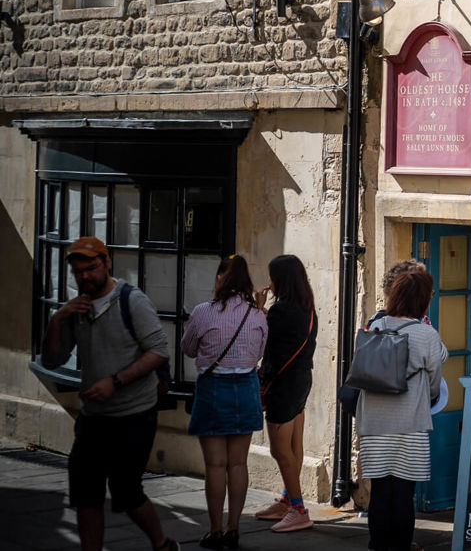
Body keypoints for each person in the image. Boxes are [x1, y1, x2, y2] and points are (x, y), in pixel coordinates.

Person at [39, 235, 181, 551]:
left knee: (127, 492)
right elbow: (52, 359)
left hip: (134, 416)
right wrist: (58, 318)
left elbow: (158, 351)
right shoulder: (77, 309)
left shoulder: (133, 301)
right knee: (86, 494)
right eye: (78, 272)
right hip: (93, 418)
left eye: (90, 268)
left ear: (106, 264)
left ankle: (161, 543)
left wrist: (114, 382)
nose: (85, 276)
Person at [356, 267, 448, 551]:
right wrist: (427, 396)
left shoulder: (376, 328)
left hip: (373, 422)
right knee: (404, 494)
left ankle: (378, 545)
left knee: (380, 492)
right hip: (409, 423)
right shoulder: (425, 334)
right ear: (422, 300)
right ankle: (401, 545)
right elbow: (435, 379)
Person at [181, 254, 268, 550]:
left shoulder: (203, 312)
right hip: (245, 387)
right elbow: (259, 353)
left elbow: (188, 349)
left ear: (220, 279)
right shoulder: (257, 315)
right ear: (246, 282)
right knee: (238, 463)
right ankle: (234, 528)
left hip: (213, 388)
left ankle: (215, 530)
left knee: (215, 465)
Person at [253, 254, 318, 533]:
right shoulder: (306, 308)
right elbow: (283, 332)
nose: (269, 282)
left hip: (281, 385)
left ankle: (298, 509)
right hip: (301, 380)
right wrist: (267, 312)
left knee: (280, 450)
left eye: (272, 277)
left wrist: (258, 308)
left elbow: (261, 336)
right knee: (295, 446)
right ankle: (287, 498)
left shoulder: (280, 311)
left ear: (281, 280)